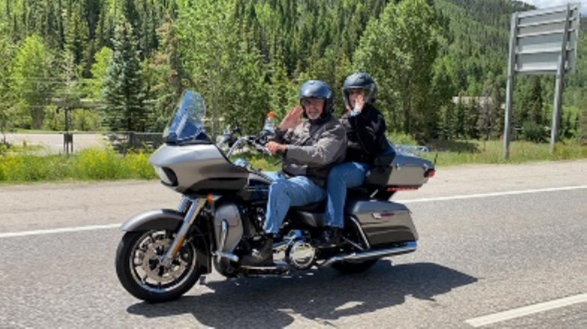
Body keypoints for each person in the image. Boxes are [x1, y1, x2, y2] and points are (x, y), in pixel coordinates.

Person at [241, 80, 347, 266]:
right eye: (307, 102)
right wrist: (282, 129)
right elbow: (274, 143)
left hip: (313, 183)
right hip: (289, 176)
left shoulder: (334, 129)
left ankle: (266, 247)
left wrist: (284, 148)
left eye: (316, 102)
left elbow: (320, 154)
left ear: (327, 104)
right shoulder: (303, 126)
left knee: (279, 188)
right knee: (245, 176)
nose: (311, 107)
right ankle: (244, 234)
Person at [320, 72, 388, 246]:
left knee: (337, 175)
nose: (354, 97)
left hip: (363, 165)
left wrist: (357, 116)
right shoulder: (345, 117)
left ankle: (333, 228)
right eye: (351, 93)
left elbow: (370, 146)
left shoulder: (375, 117)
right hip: (345, 163)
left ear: (368, 94)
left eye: (359, 93)